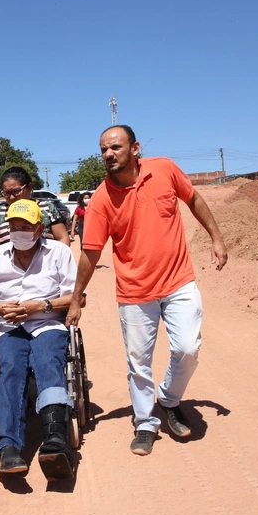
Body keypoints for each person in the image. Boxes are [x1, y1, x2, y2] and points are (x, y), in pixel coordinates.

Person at [67, 125, 227, 457]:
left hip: (178, 281)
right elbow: (91, 252)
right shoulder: (101, 200)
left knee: (188, 347)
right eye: (103, 150)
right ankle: (144, 423)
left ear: (135, 148)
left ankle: (168, 399)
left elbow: (194, 198)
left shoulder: (165, 170)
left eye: (115, 147)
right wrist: (76, 296)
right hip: (135, 292)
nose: (108, 154)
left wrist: (216, 237)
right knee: (138, 363)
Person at [0, 199, 77, 481]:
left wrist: (39, 306)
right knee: (10, 368)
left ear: (40, 228)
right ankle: (7, 446)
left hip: (47, 323)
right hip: (9, 327)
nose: (19, 231)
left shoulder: (58, 253)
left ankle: (55, 439)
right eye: (14, 226)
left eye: (25, 227)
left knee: (47, 362)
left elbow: (73, 297)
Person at [0, 167, 70, 256]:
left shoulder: (48, 208)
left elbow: (62, 238)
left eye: (16, 191)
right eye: (6, 192)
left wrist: (57, 261)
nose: (11, 197)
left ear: (29, 187)